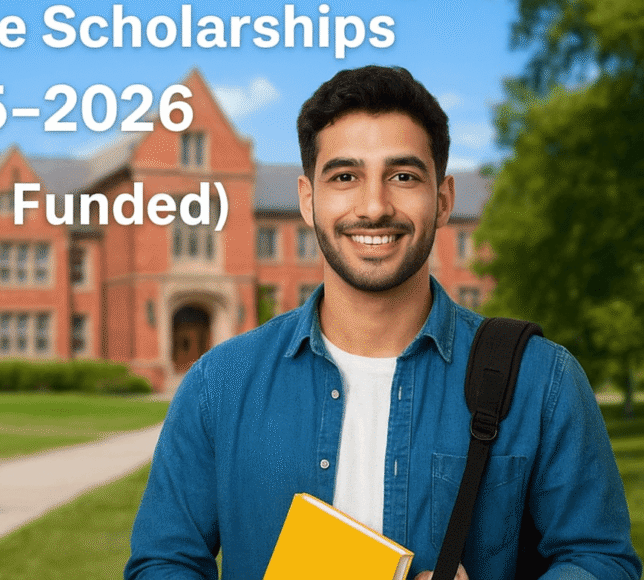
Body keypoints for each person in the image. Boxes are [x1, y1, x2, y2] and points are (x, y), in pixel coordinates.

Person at [125, 66, 640, 580]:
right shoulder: (219, 385)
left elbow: (601, 561)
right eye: (345, 176)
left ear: (442, 200)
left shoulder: (540, 379)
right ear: (308, 200)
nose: (374, 207)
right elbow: (163, 564)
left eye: (404, 176)